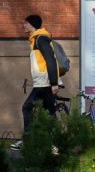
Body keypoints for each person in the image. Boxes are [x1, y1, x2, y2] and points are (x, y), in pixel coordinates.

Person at [11, 14, 60, 150]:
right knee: (49, 113)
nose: (23, 26)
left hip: (45, 83)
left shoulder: (40, 39)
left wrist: (54, 82)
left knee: (27, 107)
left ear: (32, 24)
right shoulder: (35, 39)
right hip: (43, 82)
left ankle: (28, 140)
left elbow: (50, 59)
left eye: (25, 23)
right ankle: (55, 143)